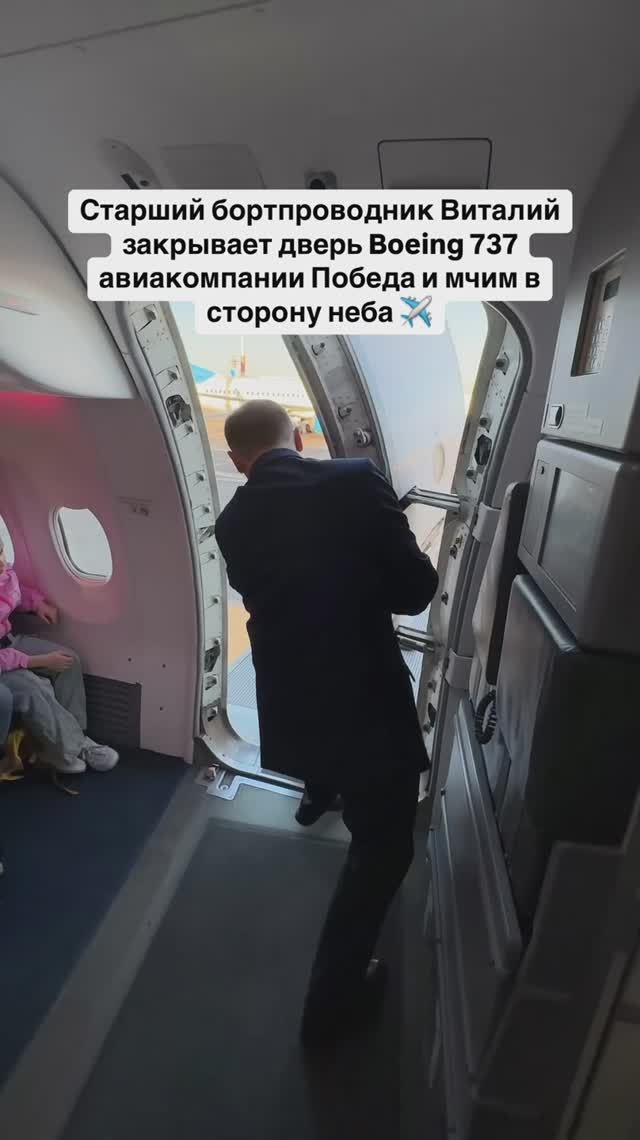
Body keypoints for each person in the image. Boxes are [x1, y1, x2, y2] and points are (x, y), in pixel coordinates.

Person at [214, 400, 438, 1045]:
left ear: (237, 461)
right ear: (299, 437)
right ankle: (331, 1003)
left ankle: (319, 792)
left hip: (292, 695)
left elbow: (269, 592)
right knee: (383, 850)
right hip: (363, 697)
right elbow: (415, 590)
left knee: (331, 768)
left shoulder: (231, 521)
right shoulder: (355, 480)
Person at [0, 539, 118, 775]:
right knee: (33, 686)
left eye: (0, 552)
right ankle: (67, 751)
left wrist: (37, 604)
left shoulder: (4, 573)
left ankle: (74, 740)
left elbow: (14, 590)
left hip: (8, 641)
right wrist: (37, 662)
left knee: (68, 661)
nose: (1, 562)